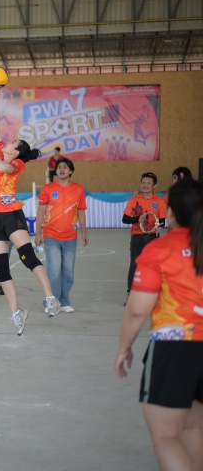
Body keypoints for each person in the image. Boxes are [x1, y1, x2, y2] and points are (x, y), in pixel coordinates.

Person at [115, 178, 203, 471]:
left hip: (175, 348)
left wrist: (124, 347)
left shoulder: (160, 249)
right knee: (192, 427)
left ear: (171, 212)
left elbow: (138, 310)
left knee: (166, 435)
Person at [0, 88, 59, 335]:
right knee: (0, 268)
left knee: (28, 257)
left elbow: (4, 168)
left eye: (12, 142)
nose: (7, 142)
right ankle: (17, 313)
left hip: (12, 216)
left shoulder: (16, 163)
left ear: (16, 151)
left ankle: (50, 297)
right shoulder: (1, 151)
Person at [35, 157, 89, 313]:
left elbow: (81, 212)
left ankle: (64, 301)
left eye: (65, 167)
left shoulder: (78, 189)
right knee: (54, 270)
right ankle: (51, 301)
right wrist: (38, 233)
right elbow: (41, 212)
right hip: (51, 235)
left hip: (70, 237)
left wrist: (84, 232)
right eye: (59, 167)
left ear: (70, 171)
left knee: (68, 271)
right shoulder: (48, 188)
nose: (61, 169)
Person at [123, 172, 167, 297]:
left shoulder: (160, 201)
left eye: (149, 183)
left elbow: (162, 221)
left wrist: (160, 227)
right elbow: (125, 219)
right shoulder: (134, 199)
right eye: (143, 182)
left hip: (153, 238)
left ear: (154, 186)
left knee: (153, 267)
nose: (145, 185)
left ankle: (152, 295)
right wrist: (137, 219)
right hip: (137, 238)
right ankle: (131, 295)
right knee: (134, 265)